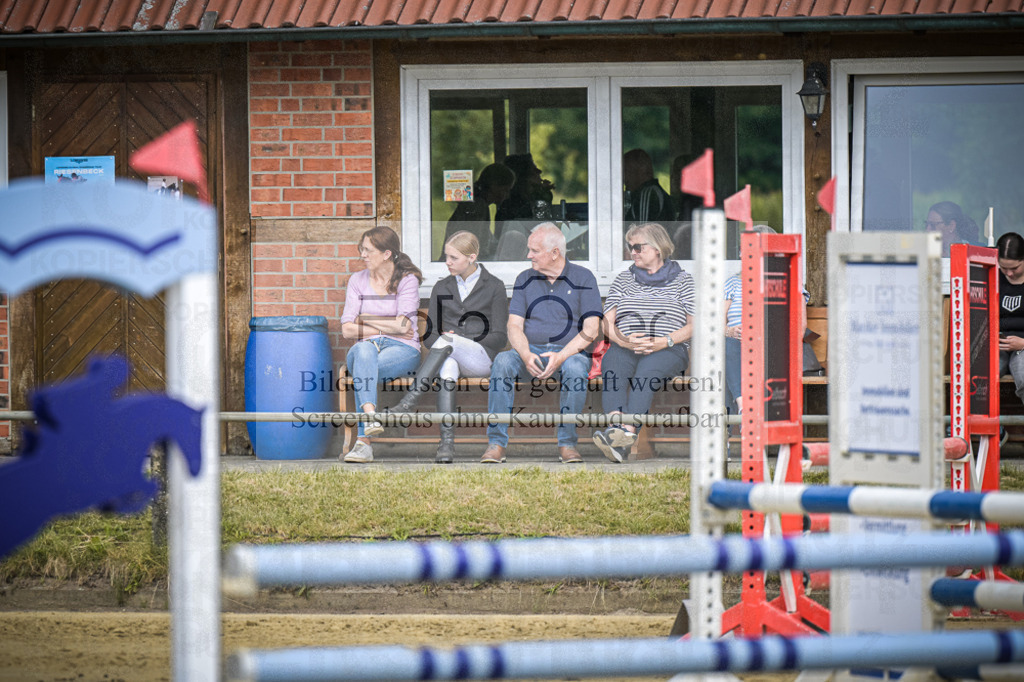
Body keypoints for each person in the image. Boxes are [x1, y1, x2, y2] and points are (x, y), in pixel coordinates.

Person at [482, 223, 602, 464]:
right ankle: (496, 443)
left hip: (569, 353)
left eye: (534, 251)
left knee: (577, 368)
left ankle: (567, 443)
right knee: (503, 361)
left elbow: (591, 329)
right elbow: (514, 326)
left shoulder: (583, 277)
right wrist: (525, 355)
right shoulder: (524, 279)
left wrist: (561, 356)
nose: (528, 256)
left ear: (555, 252)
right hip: (532, 351)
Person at [391, 231, 509, 463]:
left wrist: (464, 342)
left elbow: (500, 337)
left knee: (450, 342)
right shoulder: (442, 287)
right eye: (446, 256)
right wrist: (450, 342)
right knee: (448, 364)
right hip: (449, 356)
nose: (447, 262)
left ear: (472, 257)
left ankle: (409, 402)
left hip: (481, 360)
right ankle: (446, 445)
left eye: (454, 258)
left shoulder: (494, 286)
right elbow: (430, 337)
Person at [591, 222, 694, 463]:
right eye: (630, 247)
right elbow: (606, 322)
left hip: (670, 349)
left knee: (646, 373)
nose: (632, 252)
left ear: (658, 248)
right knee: (613, 363)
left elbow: (693, 325)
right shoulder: (624, 279)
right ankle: (617, 430)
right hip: (627, 346)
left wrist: (663, 342)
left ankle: (624, 435)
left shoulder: (683, 281)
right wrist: (624, 341)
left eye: (638, 247)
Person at [339, 226, 423, 463]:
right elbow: (346, 329)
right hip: (366, 348)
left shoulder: (407, 281)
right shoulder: (357, 280)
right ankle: (371, 418)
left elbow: (404, 327)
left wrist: (365, 319)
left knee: (364, 367)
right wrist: (384, 327)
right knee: (364, 352)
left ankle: (364, 442)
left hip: (402, 351)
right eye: (361, 249)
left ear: (386, 254)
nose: (362, 255)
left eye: (368, 250)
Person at [444, 163, 516, 260]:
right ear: (494, 186)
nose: (507, 196)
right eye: (505, 190)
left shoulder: (476, 204)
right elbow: (475, 247)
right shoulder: (477, 207)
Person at [997, 231, 1024, 410]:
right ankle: (987, 430)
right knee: (979, 377)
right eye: (1003, 267)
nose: (1009, 273)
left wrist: (1023, 343)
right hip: (997, 343)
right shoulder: (990, 275)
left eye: (1014, 268)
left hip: (1022, 345)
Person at [623, 149, 674, 227]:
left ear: (642, 170)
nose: (624, 178)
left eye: (627, 171)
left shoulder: (648, 194)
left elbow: (643, 233)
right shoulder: (651, 193)